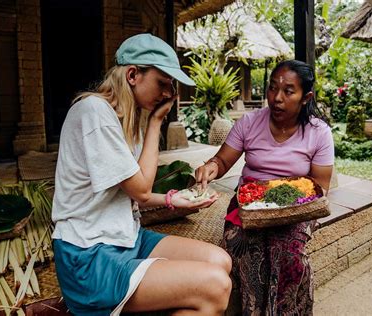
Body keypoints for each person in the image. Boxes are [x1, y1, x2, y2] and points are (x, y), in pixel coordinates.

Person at [51, 33, 232, 316]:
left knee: (220, 260)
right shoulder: (93, 112)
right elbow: (142, 189)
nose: (168, 94)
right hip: (89, 257)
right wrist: (156, 121)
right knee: (216, 286)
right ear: (133, 74)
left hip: (126, 239)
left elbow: (133, 195)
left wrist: (174, 199)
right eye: (162, 83)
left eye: (170, 87)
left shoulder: (125, 118)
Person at [195, 60, 334, 315]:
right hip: (249, 202)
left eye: (288, 91)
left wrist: (287, 204)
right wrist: (210, 167)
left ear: (306, 97)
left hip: (297, 205)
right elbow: (223, 160)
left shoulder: (318, 133)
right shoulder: (249, 123)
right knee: (243, 248)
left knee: (288, 255)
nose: (277, 98)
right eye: (272, 88)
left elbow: (320, 187)